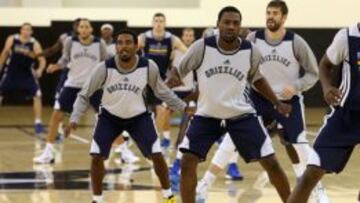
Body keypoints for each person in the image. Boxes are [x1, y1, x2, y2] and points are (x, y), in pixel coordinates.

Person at [167, 6, 292, 203]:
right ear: (218, 24)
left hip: (240, 115)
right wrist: (172, 80)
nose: (231, 26)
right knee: (187, 162)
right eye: (227, 22)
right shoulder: (202, 47)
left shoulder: (250, 50)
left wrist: (276, 102)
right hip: (207, 115)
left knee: (272, 162)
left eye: (235, 23)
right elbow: (178, 70)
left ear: (240, 26)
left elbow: (257, 79)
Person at [65, 29, 190, 203]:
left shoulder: (148, 66)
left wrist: (184, 107)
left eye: (128, 43)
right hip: (109, 117)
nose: (124, 47)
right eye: (120, 43)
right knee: (96, 156)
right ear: (116, 47)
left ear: (136, 46)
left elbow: (163, 92)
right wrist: (74, 118)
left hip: (139, 117)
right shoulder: (104, 68)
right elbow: (84, 95)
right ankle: (97, 199)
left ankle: (168, 195)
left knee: (157, 154)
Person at [287, 22, 360, 203]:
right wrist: (327, 87)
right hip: (344, 117)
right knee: (311, 173)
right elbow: (325, 65)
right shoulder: (347, 36)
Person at [33, 18, 108, 164]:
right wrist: (56, 66)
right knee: (56, 115)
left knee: (107, 118)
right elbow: (65, 59)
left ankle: (124, 152)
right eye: (82, 27)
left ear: (91, 29)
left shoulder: (100, 43)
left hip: (93, 86)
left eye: (87, 26)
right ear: (78, 29)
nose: (84, 29)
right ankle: (48, 152)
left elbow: (106, 62)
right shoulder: (70, 41)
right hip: (72, 84)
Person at [138, 12, 188, 151]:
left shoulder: (172, 39)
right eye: (156, 21)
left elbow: (188, 53)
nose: (158, 23)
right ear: (152, 23)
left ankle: (155, 140)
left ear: (165, 23)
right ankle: (125, 138)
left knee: (162, 110)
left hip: (161, 81)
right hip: (144, 79)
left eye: (161, 21)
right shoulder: (143, 37)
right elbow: (129, 52)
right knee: (134, 110)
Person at [99, 23, 140, 164]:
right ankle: (122, 150)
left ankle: (118, 148)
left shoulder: (117, 47)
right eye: (104, 30)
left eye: (108, 30)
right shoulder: (97, 45)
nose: (106, 32)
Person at [0, 22, 46, 134]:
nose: (26, 32)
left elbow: (42, 59)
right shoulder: (12, 39)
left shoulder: (34, 43)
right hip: (11, 72)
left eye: (28, 30)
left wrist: (40, 70)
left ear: (31, 32)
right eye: (24, 29)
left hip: (27, 74)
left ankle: (38, 123)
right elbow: (4, 53)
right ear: (20, 30)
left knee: (37, 95)